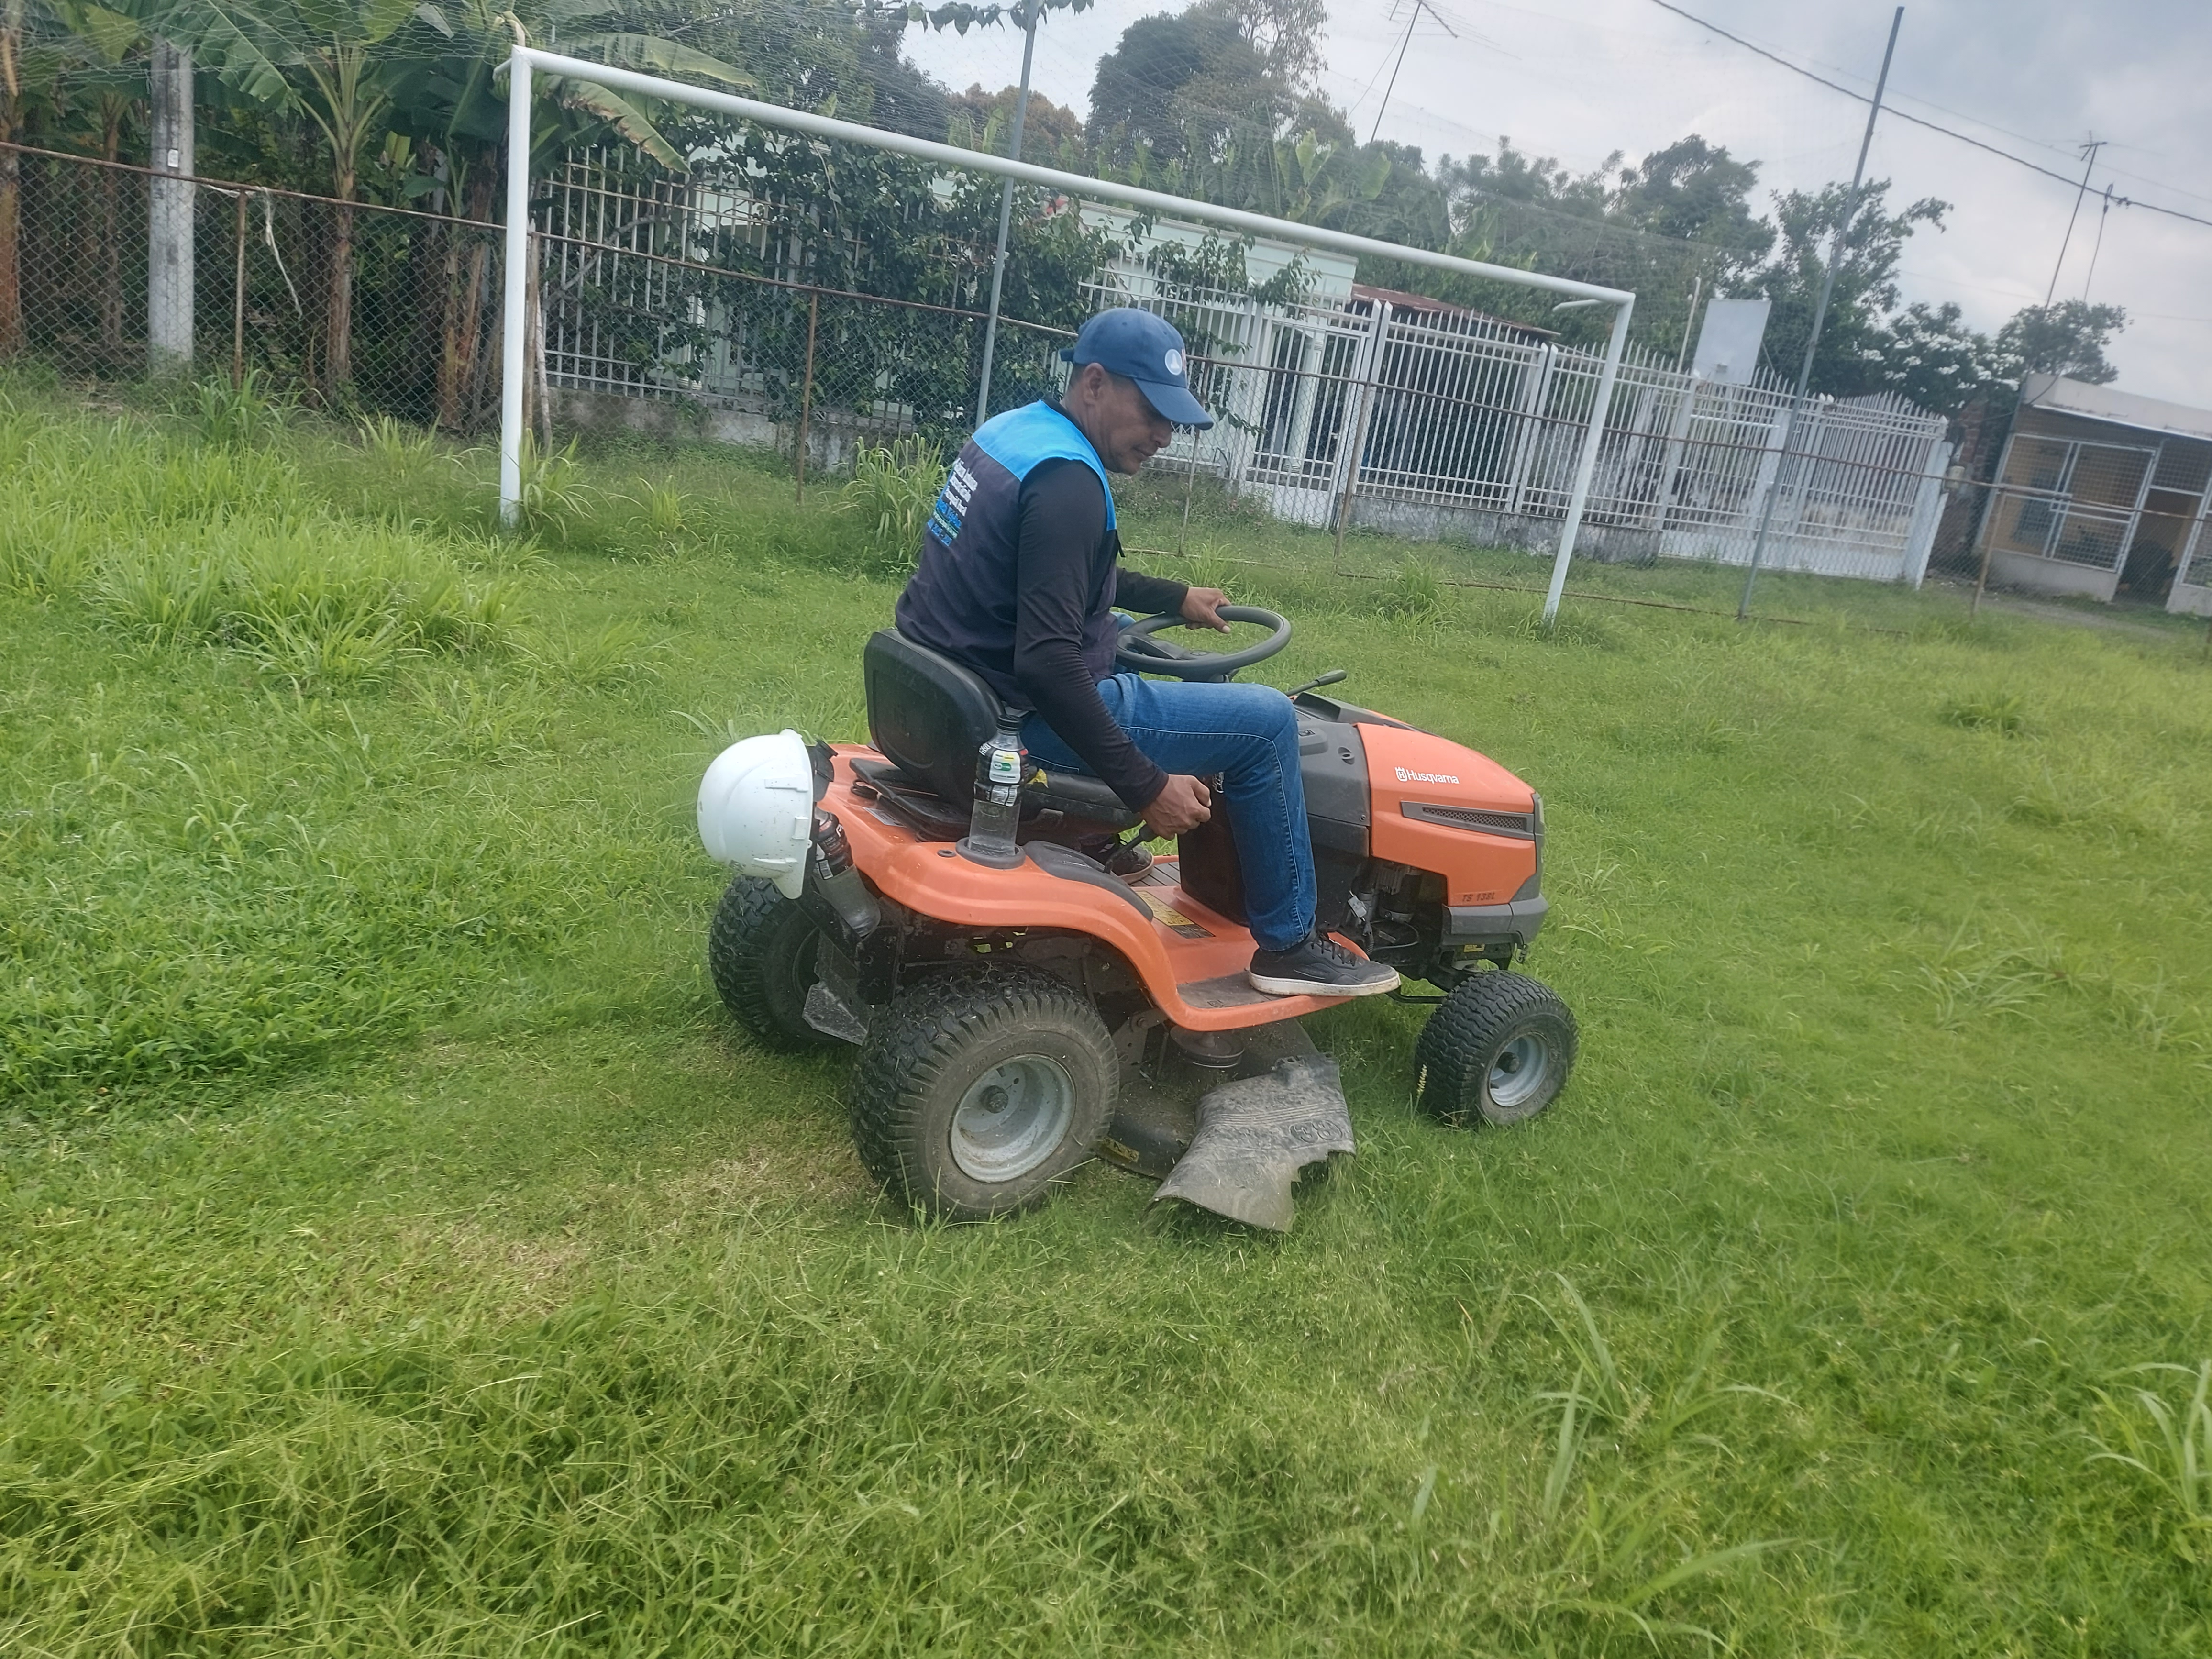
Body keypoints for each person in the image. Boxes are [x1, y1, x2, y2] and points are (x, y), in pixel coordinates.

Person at [894, 307, 1397, 999]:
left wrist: (1176, 597)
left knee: (1134, 638)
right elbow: (1048, 663)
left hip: (963, 681)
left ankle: (1099, 842)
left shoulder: (1013, 436)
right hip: (1025, 715)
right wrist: (1148, 788)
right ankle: (1289, 945)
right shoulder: (1070, 484)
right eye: (1152, 414)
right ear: (1095, 383)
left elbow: (1057, 572)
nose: (1164, 436)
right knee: (1266, 722)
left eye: (1174, 420)